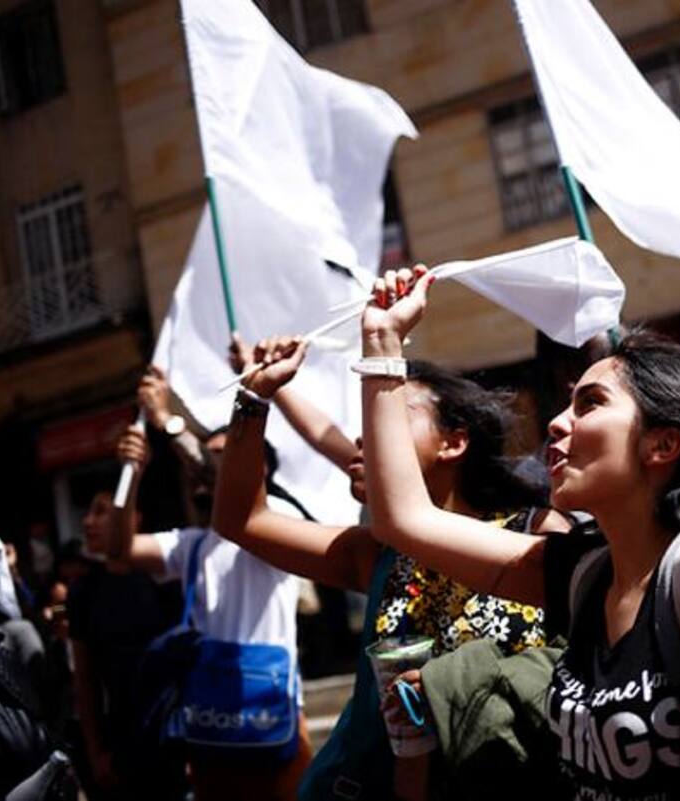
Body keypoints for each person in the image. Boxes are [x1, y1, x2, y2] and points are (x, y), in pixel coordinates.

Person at [339, 264, 680, 801]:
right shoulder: (586, 574)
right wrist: (382, 343)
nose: (557, 423)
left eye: (591, 404)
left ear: (662, 445)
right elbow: (405, 520)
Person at [213, 336, 565, 800]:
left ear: (454, 442)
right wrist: (255, 397)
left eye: (391, 417)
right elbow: (241, 520)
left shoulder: (537, 534)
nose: (366, 436)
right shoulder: (380, 554)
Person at [109, 420, 310, 801]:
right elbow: (120, 550)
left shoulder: (279, 519)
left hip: (271, 714)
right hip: (210, 717)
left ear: (258, 468)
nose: (199, 465)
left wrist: (170, 425)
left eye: (220, 454)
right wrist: (131, 472)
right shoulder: (192, 545)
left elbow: (229, 482)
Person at [63, 488, 183, 801]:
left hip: (178, 740)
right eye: (88, 512)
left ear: (135, 517)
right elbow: (85, 679)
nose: (88, 522)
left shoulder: (169, 582)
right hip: (122, 750)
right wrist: (96, 753)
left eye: (102, 511)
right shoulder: (84, 592)